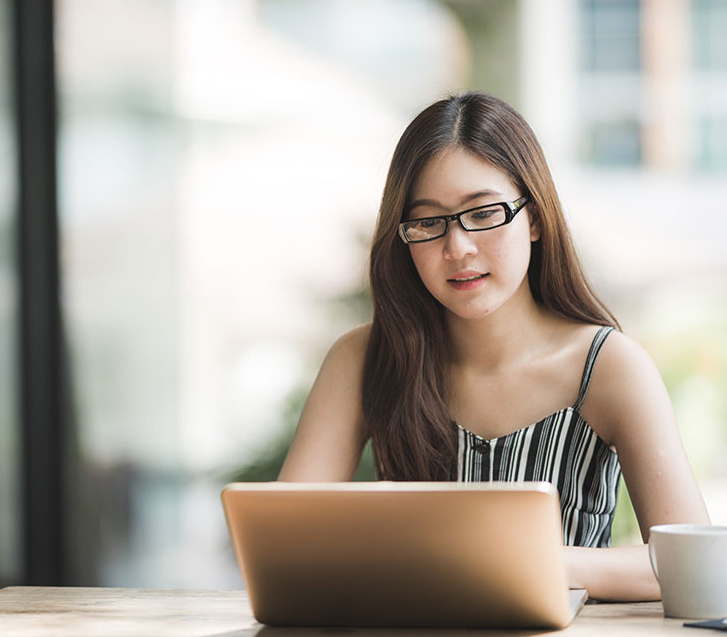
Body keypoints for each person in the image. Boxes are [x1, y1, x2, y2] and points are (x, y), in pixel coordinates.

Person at [277, 91, 710, 601]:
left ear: (535, 218)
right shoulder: (363, 359)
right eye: (428, 222)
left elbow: (689, 563)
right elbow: (280, 545)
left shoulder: (609, 367)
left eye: (482, 213)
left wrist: (508, 558)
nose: (457, 247)